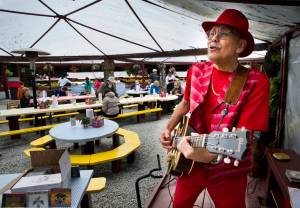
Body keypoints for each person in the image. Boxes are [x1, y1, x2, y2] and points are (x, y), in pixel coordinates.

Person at [160, 9, 269, 208]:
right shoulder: (196, 71)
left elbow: (241, 140)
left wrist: (201, 153)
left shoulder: (256, 81)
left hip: (227, 171)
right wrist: (169, 128)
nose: (213, 38)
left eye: (223, 34)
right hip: (189, 165)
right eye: (211, 34)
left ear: (240, 45)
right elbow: (185, 104)